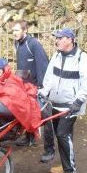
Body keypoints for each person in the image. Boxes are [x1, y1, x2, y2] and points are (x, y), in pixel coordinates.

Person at [39, 28, 87, 173]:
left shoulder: (82, 58)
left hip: (71, 105)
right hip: (55, 103)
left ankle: (71, 171)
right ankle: (65, 165)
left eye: (60, 38)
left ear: (70, 39)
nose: (57, 41)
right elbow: (50, 77)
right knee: (59, 134)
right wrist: (43, 92)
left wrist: (79, 100)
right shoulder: (56, 55)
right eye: (56, 38)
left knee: (63, 134)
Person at [12, 20, 53, 159]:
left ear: (25, 31)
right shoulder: (17, 43)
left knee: (45, 115)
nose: (14, 33)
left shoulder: (34, 44)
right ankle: (29, 138)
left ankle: (50, 148)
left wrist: (42, 87)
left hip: (36, 86)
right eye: (13, 30)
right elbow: (21, 65)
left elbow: (43, 65)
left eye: (17, 30)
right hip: (24, 85)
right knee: (27, 112)